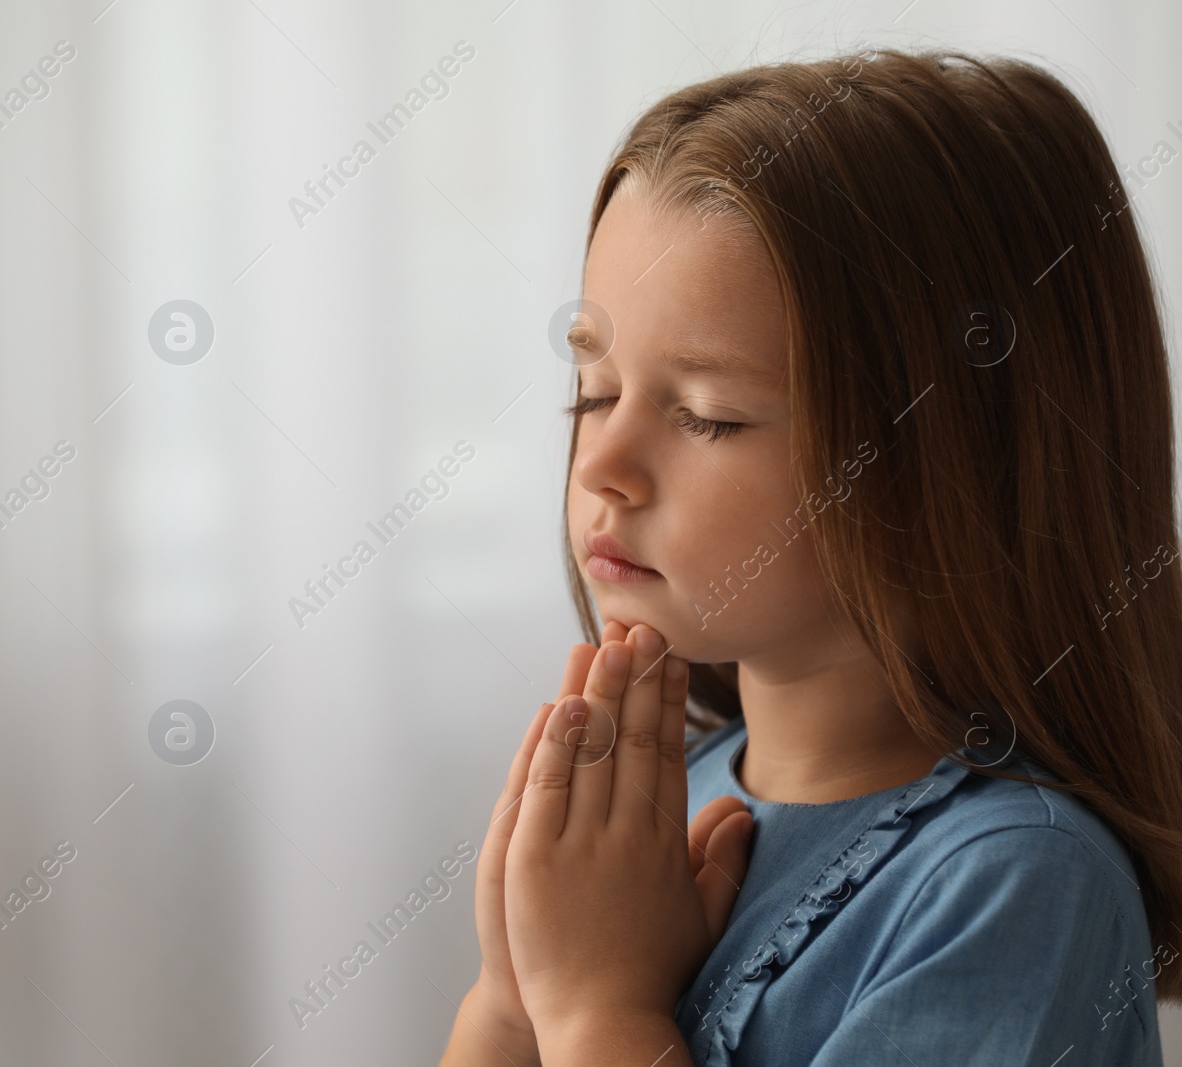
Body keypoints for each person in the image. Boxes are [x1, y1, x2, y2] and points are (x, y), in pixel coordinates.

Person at [439, 47, 1182, 1066]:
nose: (602, 463)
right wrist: (510, 997)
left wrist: (593, 1008)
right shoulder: (662, 804)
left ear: (951, 458)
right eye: (594, 392)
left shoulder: (1015, 883)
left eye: (708, 417)